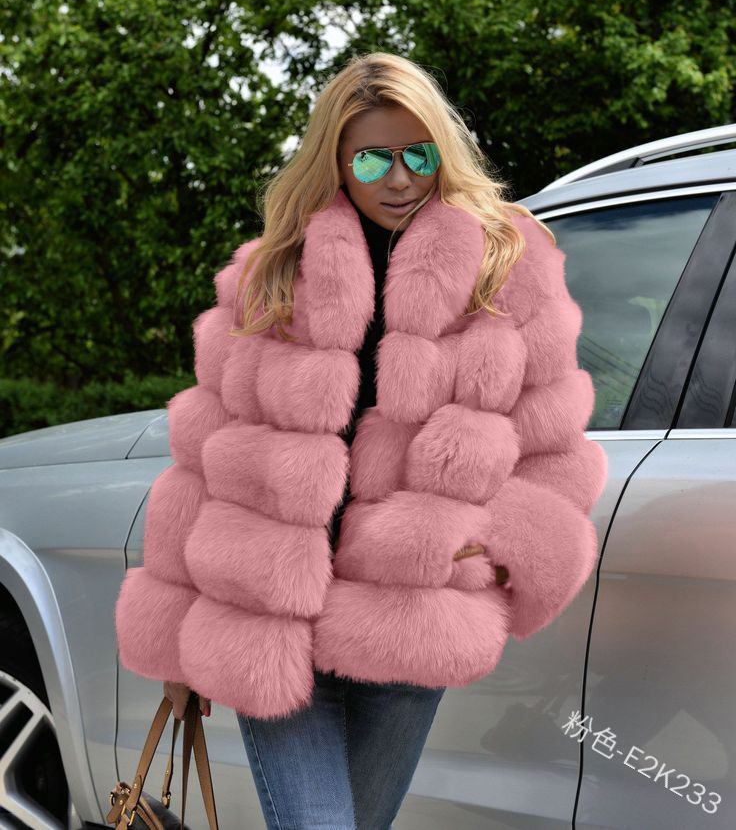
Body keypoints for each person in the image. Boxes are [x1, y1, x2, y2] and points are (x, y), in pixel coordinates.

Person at [116, 51, 608, 829]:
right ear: (337, 161)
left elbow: (553, 447)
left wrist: (497, 548)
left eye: (419, 155)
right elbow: (200, 458)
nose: (400, 178)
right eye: (374, 158)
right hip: (267, 619)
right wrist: (175, 648)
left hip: (409, 619)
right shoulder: (271, 276)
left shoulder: (508, 269)